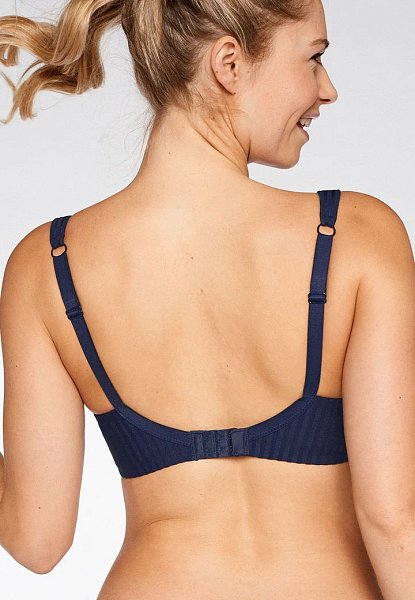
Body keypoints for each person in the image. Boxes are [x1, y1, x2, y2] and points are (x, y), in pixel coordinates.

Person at [0, 0, 414, 598]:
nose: (327, 89)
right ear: (229, 63)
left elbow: (37, 541)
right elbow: (394, 520)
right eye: (314, 58)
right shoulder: (357, 236)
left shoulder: (46, 265)